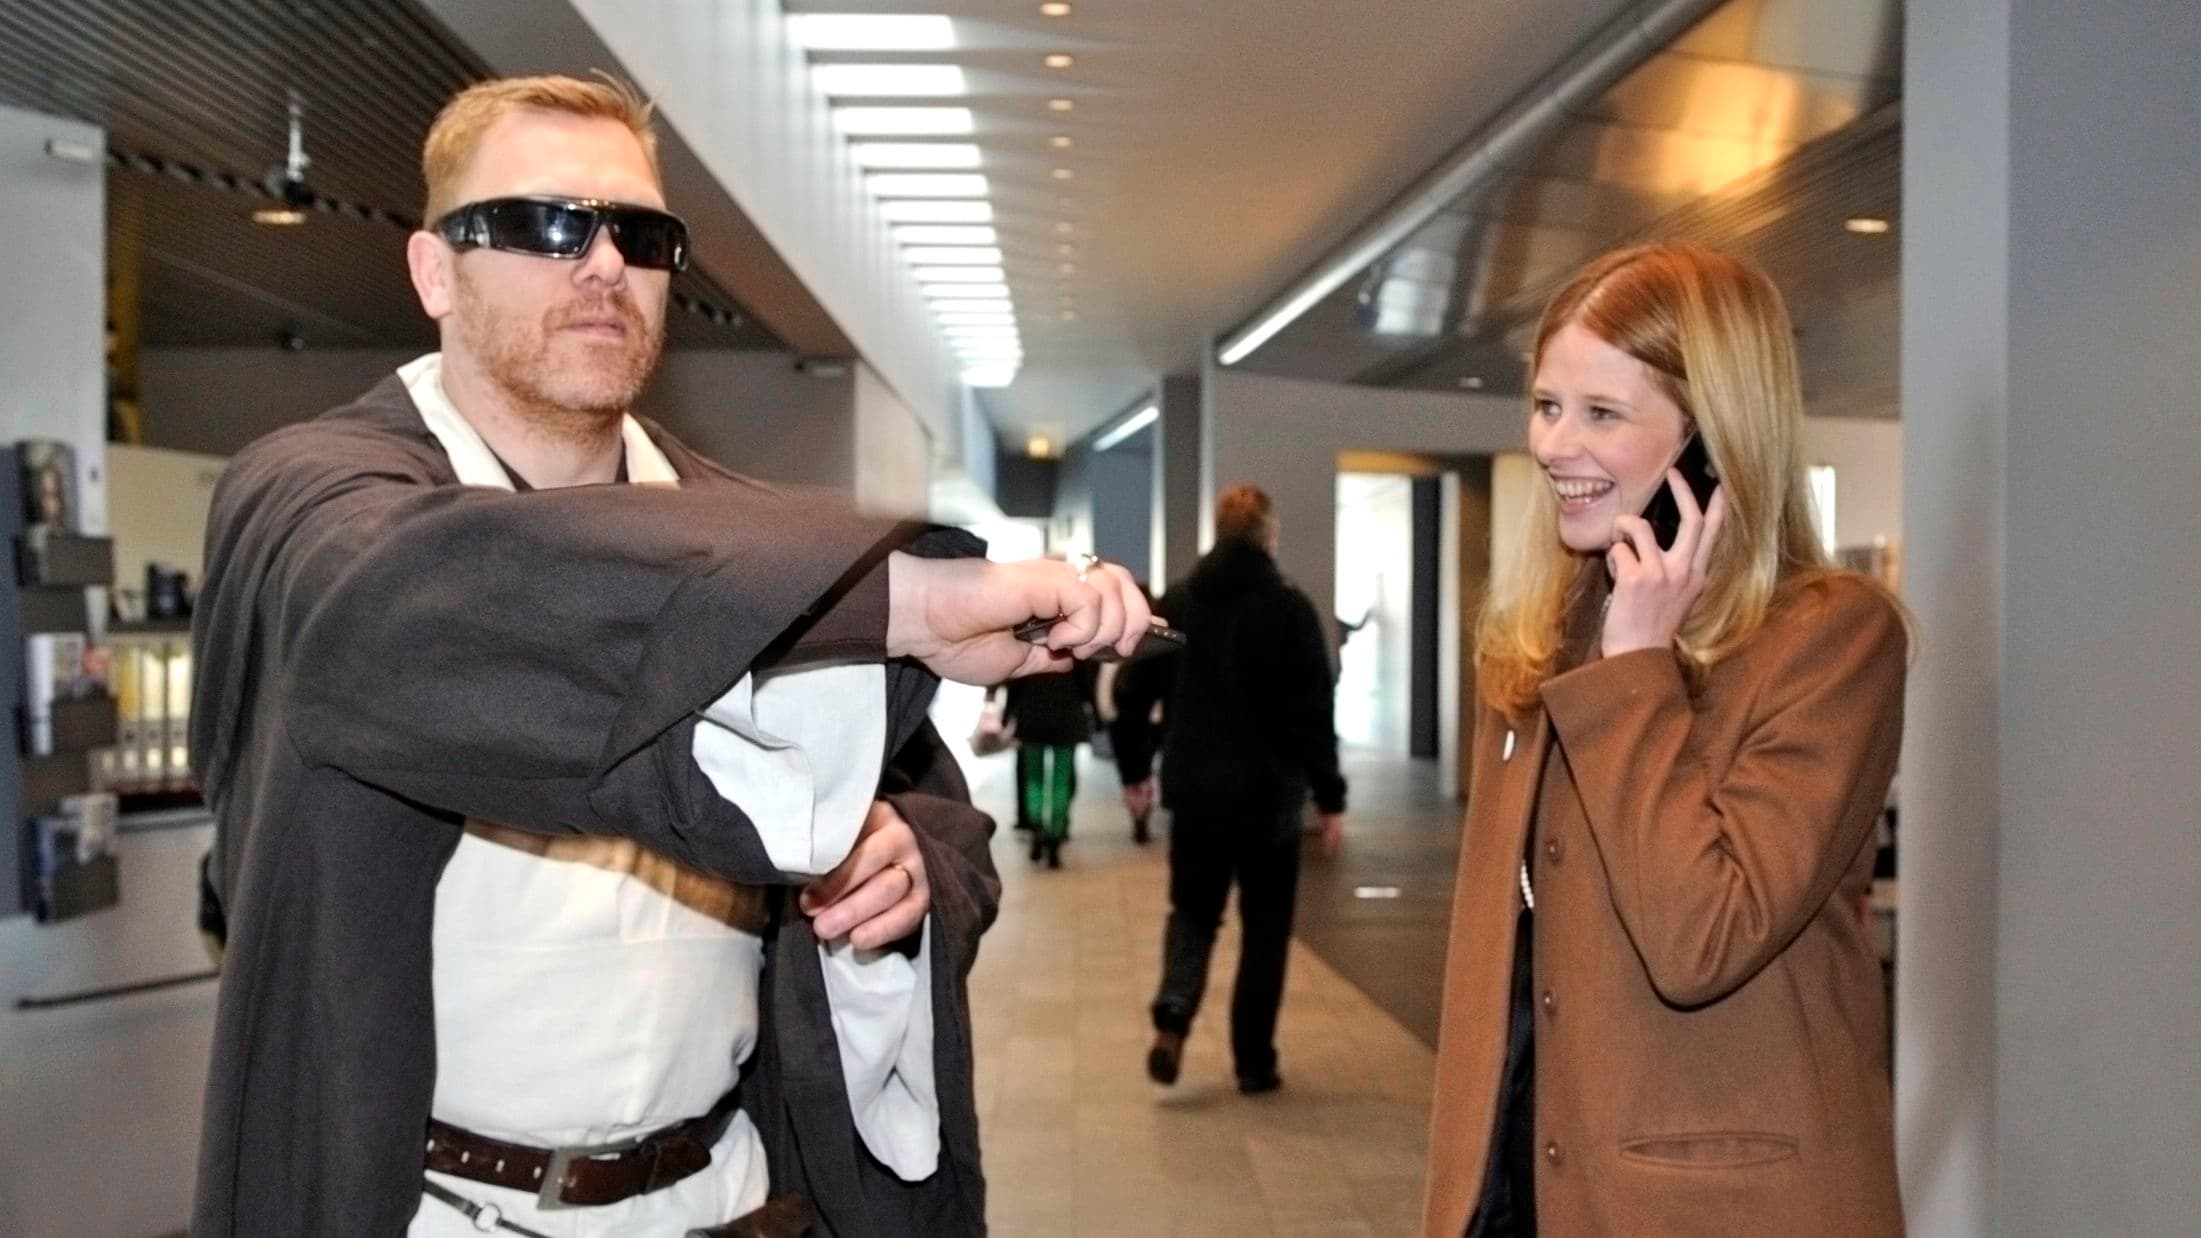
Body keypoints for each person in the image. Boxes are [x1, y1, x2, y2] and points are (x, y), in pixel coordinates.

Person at [186, 75, 1152, 1238]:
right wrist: (906, 598)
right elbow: (418, 603)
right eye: (544, 223)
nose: (604, 264)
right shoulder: (313, 502)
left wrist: (903, 865)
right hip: (427, 1206)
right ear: (434, 270)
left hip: (723, 1192)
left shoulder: (742, 536)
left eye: (639, 236)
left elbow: (941, 824)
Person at [1419, 243, 1909, 1237]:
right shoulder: (1532, 639)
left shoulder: (1831, 638)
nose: (1554, 444)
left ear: (1711, 441)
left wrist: (1636, 667)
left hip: (1719, 1208)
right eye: (1546, 404)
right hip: (1521, 1183)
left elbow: (1701, 940)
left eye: (1601, 413)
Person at [1111, 484, 1347, 1094]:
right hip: (1270, 799)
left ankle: (1173, 1018)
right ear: (1270, 537)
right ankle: (1253, 1061)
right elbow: (1313, 713)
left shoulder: (1179, 604)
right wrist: (1330, 797)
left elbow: (1132, 691)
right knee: (1265, 929)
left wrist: (1134, 770)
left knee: (1193, 912)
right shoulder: (1290, 610)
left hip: (1196, 794)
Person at [991, 660, 1097, 867]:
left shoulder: (1029, 647)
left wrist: (1006, 717)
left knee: (1033, 778)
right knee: (1061, 780)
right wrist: (1096, 717)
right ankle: (1055, 834)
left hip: (1032, 719)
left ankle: (1037, 826)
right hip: (1067, 719)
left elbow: (1015, 685)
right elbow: (1086, 685)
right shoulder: (1074, 650)